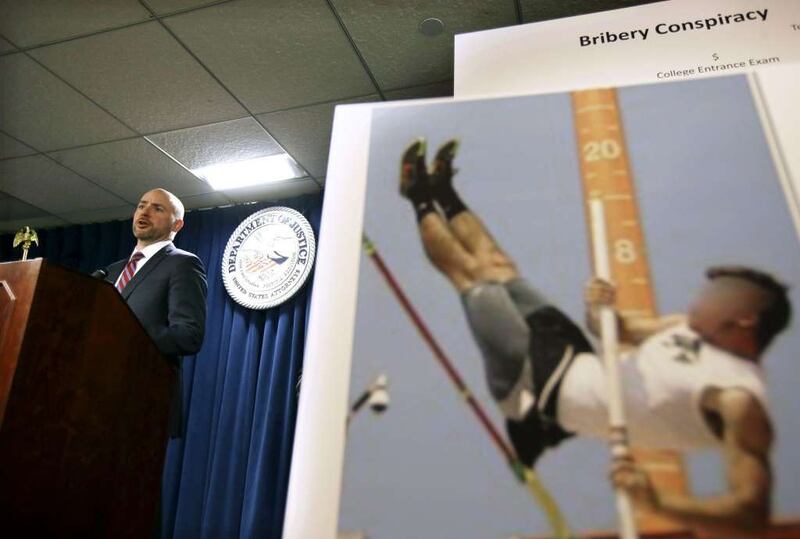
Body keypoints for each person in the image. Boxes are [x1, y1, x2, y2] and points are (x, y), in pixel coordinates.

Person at [399, 138, 791, 538]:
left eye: (716, 294)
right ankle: (445, 194)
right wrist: (599, 308)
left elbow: (750, 514)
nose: (701, 297)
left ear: (744, 319)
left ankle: (418, 196)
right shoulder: (683, 328)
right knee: (499, 266)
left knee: (473, 276)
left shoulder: (739, 398)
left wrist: (659, 504)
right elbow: (616, 329)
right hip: (575, 354)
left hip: (542, 390)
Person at [102, 188, 207, 438]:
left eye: (157, 208)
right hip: (95, 394)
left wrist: (125, 338)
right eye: (141, 205)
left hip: (142, 402)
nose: (145, 211)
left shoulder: (183, 264)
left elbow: (188, 335)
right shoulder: (110, 271)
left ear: (177, 224)